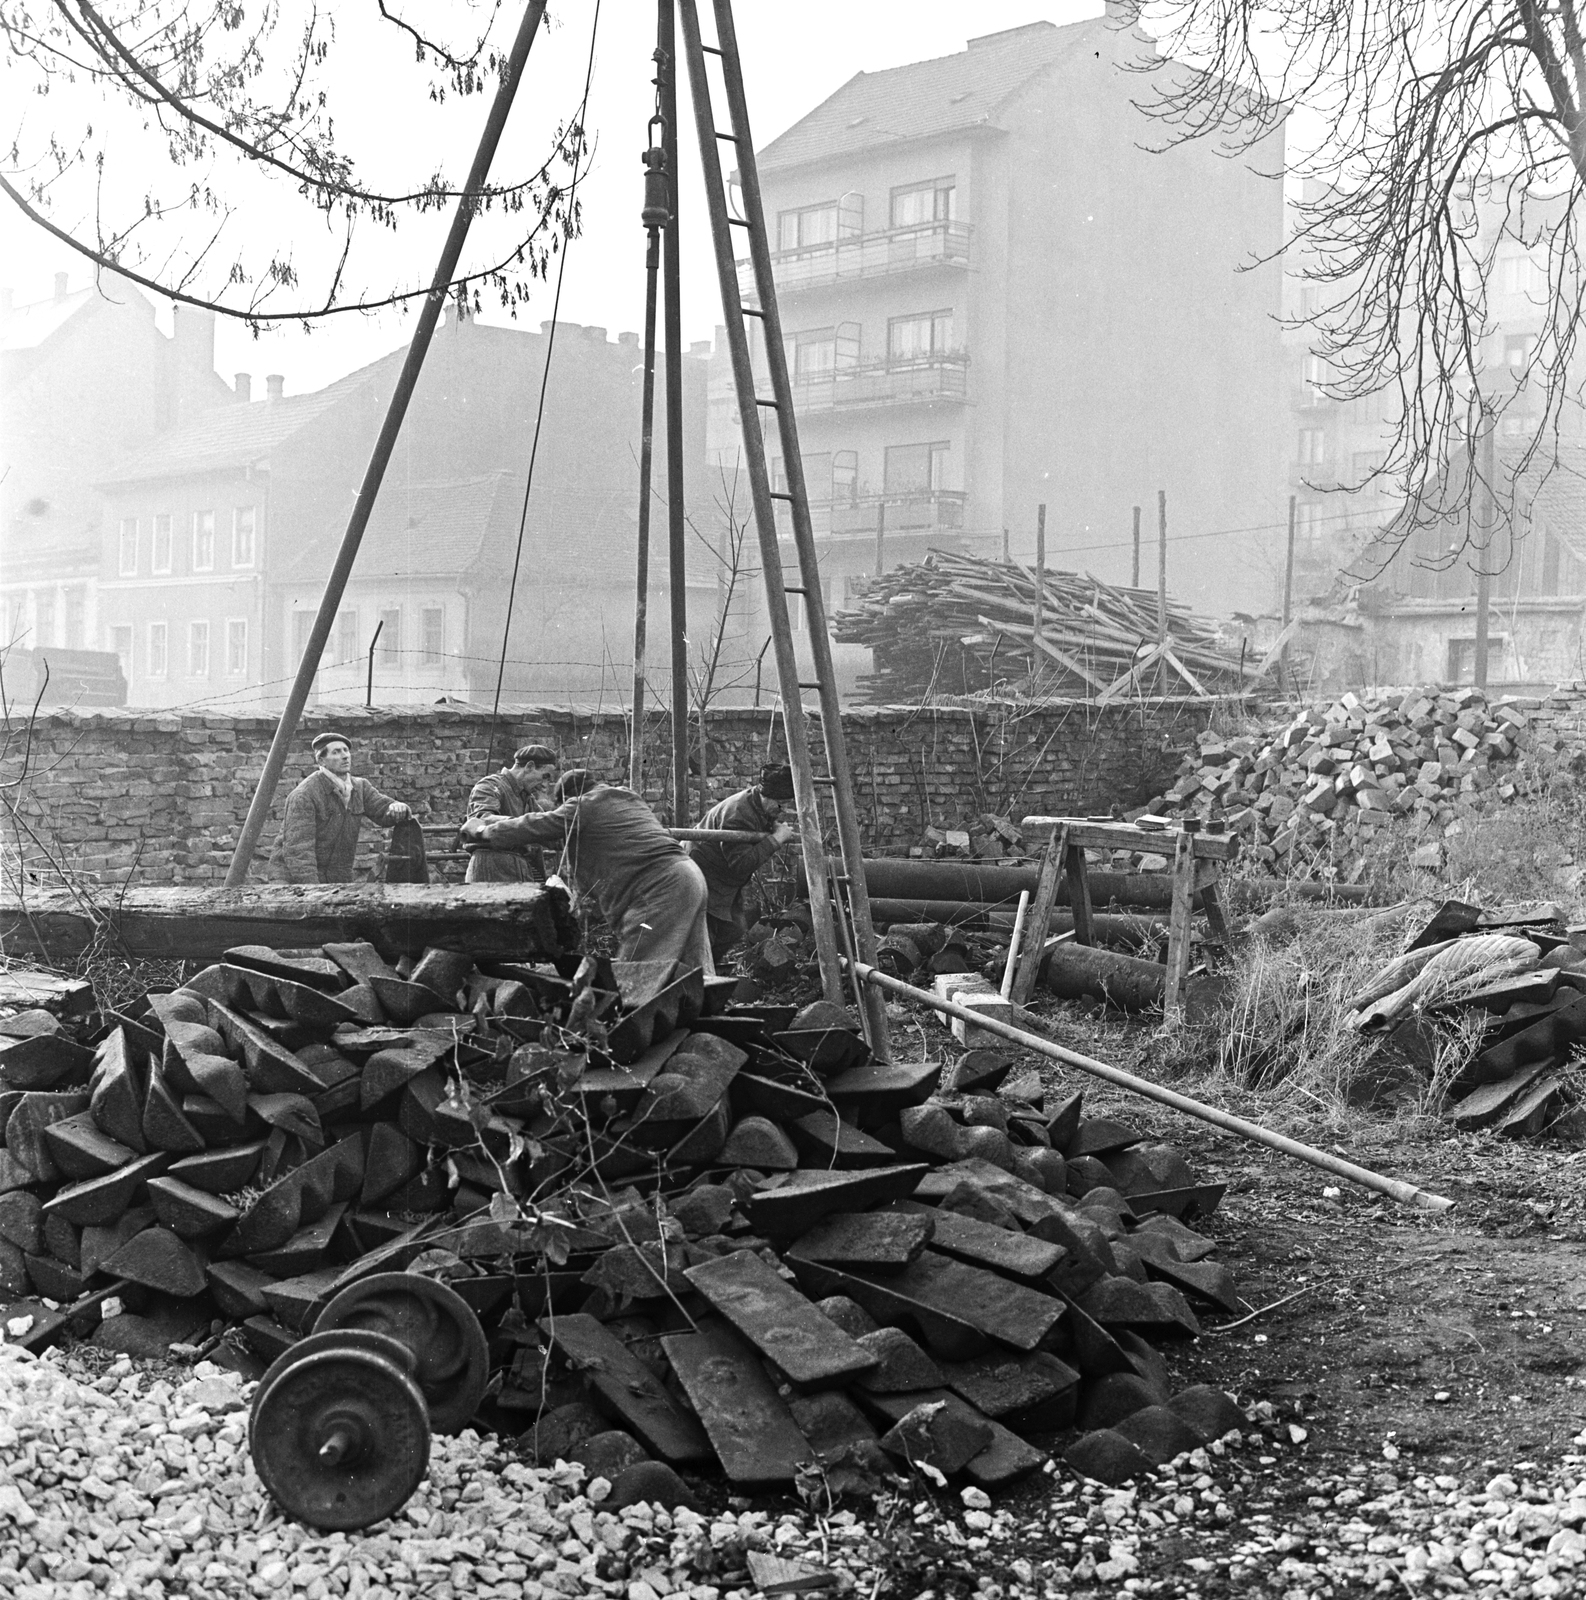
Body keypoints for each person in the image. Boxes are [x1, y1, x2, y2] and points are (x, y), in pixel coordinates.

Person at [459, 770, 713, 974]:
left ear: (566, 800)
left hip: (658, 888)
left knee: (638, 974)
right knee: (695, 971)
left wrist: (483, 831)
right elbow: (562, 839)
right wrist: (495, 821)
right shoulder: (625, 799)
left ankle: (629, 1032)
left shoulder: (582, 807)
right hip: (689, 876)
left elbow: (538, 825)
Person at [687, 763, 798, 962]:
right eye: (781, 803)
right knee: (704, 937)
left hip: (720, 878)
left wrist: (769, 824)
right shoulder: (738, 813)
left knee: (734, 929)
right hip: (701, 874)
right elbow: (741, 864)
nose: (784, 809)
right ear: (766, 795)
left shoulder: (757, 803)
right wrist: (776, 839)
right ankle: (696, 978)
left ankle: (703, 972)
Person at [268, 732, 412, 884]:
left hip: (335, 876)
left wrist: (397, 807)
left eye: (345, 750)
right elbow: (299, 851)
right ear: (322, 760)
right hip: (293, 878)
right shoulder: (304, 795)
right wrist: (313, 891)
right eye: (336, 752)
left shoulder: (360, 787)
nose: (345, 756)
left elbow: (382, 809)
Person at [464, 744, 560, 883]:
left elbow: (545, 830)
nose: (545, 785)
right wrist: (526, 825)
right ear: (529, 766)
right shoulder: (490, 786)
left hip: (521, 867)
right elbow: (482, 819)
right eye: (544, 776)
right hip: (492, 865)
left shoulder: (528, 800)